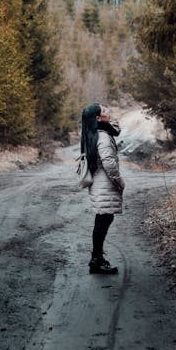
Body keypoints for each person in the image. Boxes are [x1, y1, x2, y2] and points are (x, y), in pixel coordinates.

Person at [80, 103, 125, 274]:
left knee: (104, 219)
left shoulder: (95, 133)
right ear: (98, 118)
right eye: (104, 110)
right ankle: (96, 260)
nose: (108, 111)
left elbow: (114, 128)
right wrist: (120, 182)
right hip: (105, 183)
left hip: (100, 183)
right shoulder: (103, 136)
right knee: (103, 220)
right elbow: (109, 163)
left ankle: (97, 258)